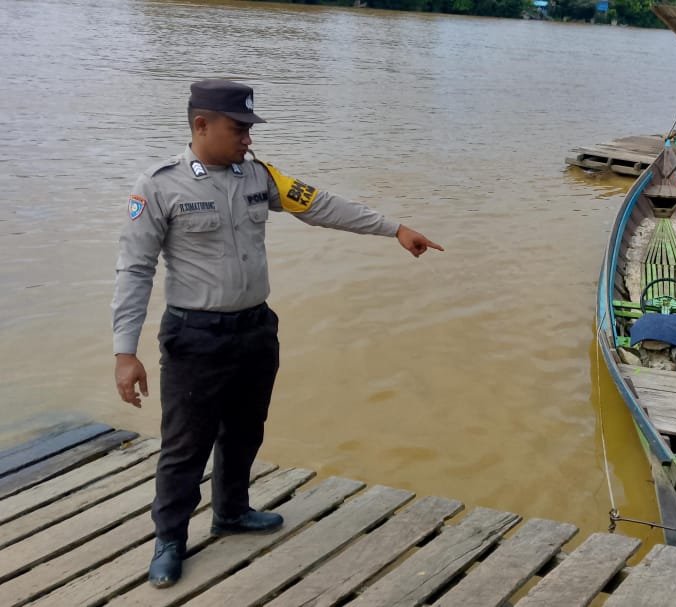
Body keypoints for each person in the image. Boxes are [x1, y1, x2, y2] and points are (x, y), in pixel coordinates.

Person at [111, 79, 442, 588]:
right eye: (238, 128)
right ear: (201, 125)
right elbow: (135, 270)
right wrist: (124, 352)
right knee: (185, 445)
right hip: (195, 337)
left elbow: (319, 204)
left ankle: (233, 512)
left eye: (248, 129)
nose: (248, 138)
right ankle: (169, 539)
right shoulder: (158, 186)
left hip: (255, 331)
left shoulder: (259, 176)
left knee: (245, 430)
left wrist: (392, 228)